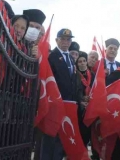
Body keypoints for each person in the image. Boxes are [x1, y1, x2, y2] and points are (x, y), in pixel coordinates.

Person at [40, 28, 79, 159]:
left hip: (68, 104)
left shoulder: (71, 59)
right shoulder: (52, 57)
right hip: (55, 103)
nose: (66, 42)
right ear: (57, 40)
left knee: (62, 138)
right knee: (50, 137)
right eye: (62, 39)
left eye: (68, 39)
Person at [75, 52, 93, 150]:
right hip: (79, 107)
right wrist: (81, 100)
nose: (82, 63)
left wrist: (90, 98)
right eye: (80, 61)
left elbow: (96, 89)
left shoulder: (92, 74)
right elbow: (73, 90)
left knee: (87, 133)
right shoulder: (74, 74)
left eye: (84, 61)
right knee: (79, 131)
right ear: (77, 63)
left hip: (90, 107)